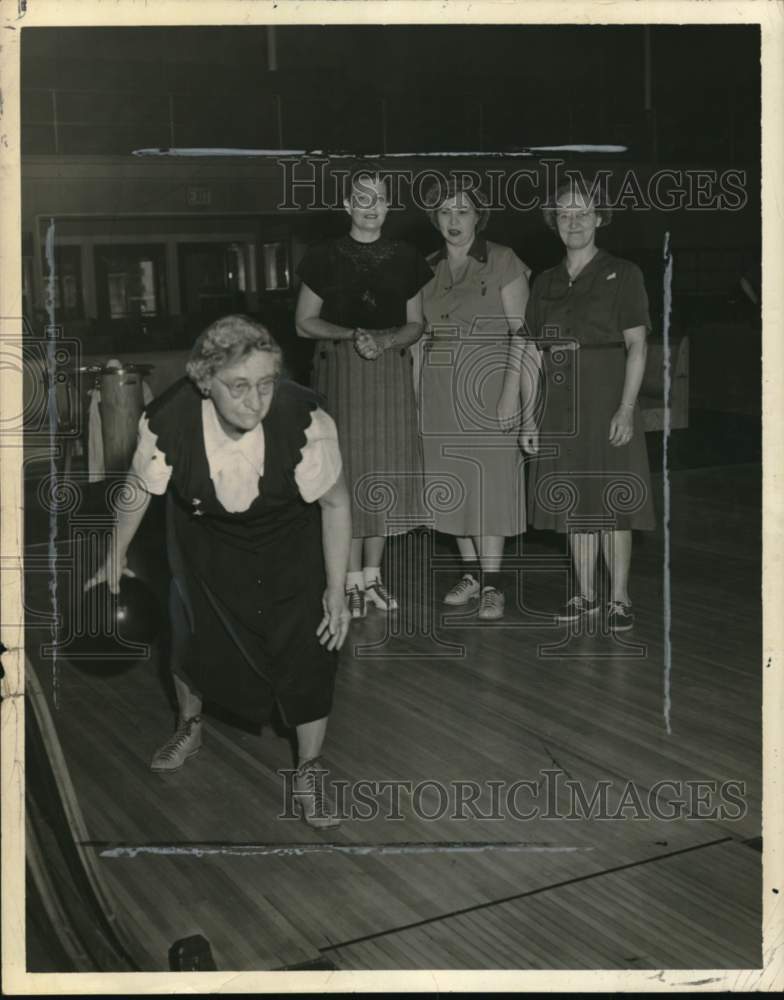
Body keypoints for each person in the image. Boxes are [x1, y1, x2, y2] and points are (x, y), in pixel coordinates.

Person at [86, 315, 352, 828]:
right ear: (205, 382)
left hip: (287, 539)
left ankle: (310, 768)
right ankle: (190, 726)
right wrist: (114, 556)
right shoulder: (167, 419)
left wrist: (337, 590)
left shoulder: (305, 420)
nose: (256, 402)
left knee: (310, 644)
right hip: (202, 533)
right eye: (239, 386)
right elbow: (137, 490)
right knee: (190, 632)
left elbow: (336, 504)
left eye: (266, 383)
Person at [295, 163, 432, 619]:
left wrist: (386, 340)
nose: (372, 207)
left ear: (389, 207)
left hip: (389, 370)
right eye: (362, 198)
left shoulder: (407, 257)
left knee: (384, 474)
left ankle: (373, 578)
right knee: (347, 473)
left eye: (380, 198)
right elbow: (303, 322)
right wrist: (354, 334)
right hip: (341, 370)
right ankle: (348, 581)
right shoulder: (322, 255)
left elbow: (416, 324)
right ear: (347, 205)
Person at [525, 176, 656, 631]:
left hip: (607, 399)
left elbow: (637, 346)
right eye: (564, 214)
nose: (574, 222)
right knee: (576, 502)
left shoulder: (625, 273)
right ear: (554, 223)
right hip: (560, 405)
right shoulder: (544, 281)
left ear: (600, 218)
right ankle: (585, 595)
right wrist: (529, 416)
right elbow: (533, 354)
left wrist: (626, 408)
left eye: (582, 213)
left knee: (613, 502)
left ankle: (618, 598)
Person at [419, 177, 540, 621]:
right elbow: (420, 339)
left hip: (489, 391)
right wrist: (416, 400)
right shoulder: (426, 267)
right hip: (438, 393)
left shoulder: (503, 260)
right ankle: (470, 573)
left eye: (463, 211)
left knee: (490, 488)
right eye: (445, 211)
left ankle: (493, 585)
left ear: (478, 217)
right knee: (452, 487)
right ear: (435, 218)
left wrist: (513, 398)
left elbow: (523, 335)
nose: (453, 220)